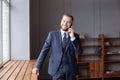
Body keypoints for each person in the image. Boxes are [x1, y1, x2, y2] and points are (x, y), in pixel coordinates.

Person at [32, 13, 82, 80]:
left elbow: (79, 52)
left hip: (71, 70)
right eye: (63, 21)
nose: (65, 23)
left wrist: (72, 38)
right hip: (57, 70)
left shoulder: (75, 36)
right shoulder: (52, 35)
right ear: (61, 21)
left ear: (71, 24)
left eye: (68, 22)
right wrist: (37, 66)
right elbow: (44, 51)